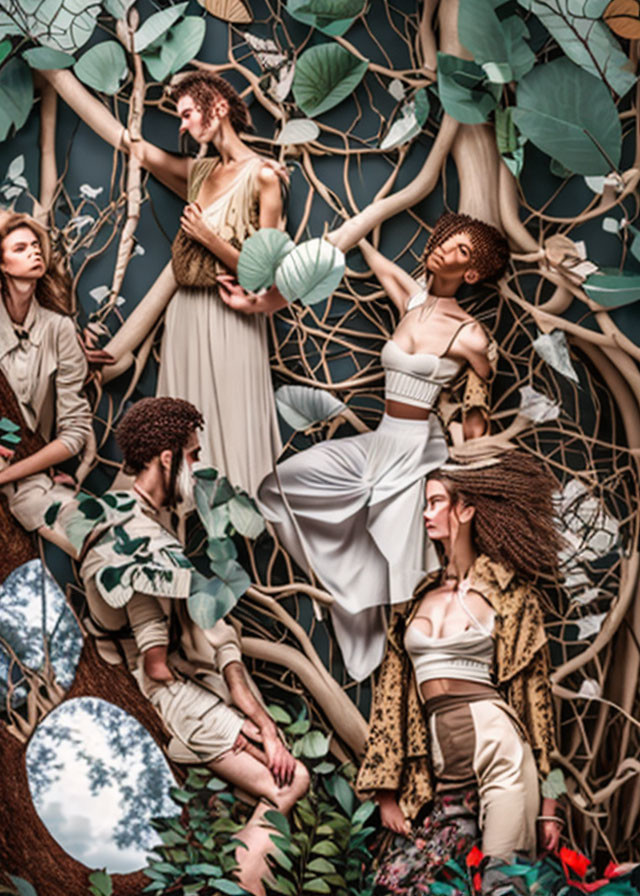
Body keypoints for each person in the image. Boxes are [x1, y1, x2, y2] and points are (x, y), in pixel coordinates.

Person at [256, 212, 510, 681]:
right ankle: (349, 594)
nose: (444, 249)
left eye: (460, 252)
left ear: (471, 274)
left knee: (403, 572)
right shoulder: (414, 302)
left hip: (418, 453)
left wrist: (470, 482)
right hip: (381, 440)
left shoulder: (470, 333)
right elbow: (381, 266)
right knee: (278, 488)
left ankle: (407, 675)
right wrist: (360, 230)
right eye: (446, 240)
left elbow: (478, 406)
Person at [74, 396, 309, 896]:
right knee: (290, 782)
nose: (199, 467)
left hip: (186, 688)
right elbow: (157, 666)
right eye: (194, 455)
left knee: (288, 777)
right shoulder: (136, 539)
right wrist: (242, 725)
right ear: (167, 459)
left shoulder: (146, 518)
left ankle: (242, 878)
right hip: (172, 698)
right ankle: (241, 885)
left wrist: (258, 724)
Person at [356, 453, 563, 894]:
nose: (427, 513)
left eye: (435, 502)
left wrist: (550, 803)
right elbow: (392, 695)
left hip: (502, 757)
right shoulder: (419, 596)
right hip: (442, 775)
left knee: (501, 884)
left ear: (466, 510)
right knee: (396, 884)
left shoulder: (510, 593)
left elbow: (538, 704)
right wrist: (387, 794)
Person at [118, 72, 288, 495]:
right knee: (180, 418)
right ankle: (179, 508)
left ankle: (240, 515)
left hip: (232, 313)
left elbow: (265, 273)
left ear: (220, 108)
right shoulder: (199, 171)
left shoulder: (265, 176)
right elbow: (139, 150)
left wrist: (208, 238)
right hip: (187, 311)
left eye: (189, 113)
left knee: (231, 416)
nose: (182, 125)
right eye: (180, 117)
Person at [0, 211, 93, 552]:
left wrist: (7, 475)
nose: (34, 252)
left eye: (36, 245)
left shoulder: (60, 329)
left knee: (94, 537)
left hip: (29, 482)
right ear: (2, 264)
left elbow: (75, 432)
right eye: (20, 248)